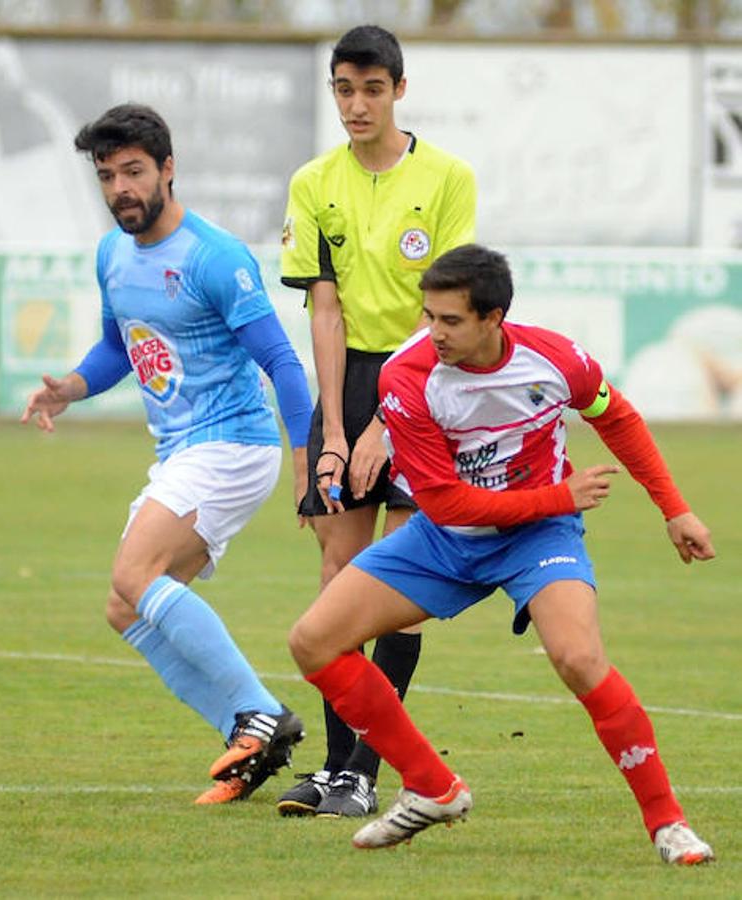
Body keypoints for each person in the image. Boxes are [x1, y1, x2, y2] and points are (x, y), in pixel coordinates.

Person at [286, 244, 716, 865]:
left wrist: (674, 508)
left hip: (538, 538)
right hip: (447, 534)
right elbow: (448, 504)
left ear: (494, 318)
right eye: (429, 316)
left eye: (451, 320)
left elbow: (616, 416)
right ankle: (433, 786)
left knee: (577, 656)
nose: (434, 333)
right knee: (313, 641)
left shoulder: (554, 359)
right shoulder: (406, 377)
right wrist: (557, 495)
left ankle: (669, 825)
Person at [21, 104, 315, 805]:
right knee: (126, 608)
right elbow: (120, 347)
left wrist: (307, 463)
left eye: (133, 171)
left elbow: (283, 363)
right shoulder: (110, 255)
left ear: (167, 169)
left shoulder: (214, 258)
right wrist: (70, 387)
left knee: (134, 572)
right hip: (181, 451)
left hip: (234, 444)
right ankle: (247, 739)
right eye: (107, 176)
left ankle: (258, 711)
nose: (120, 188)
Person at [275, 24, 477, 819]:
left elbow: (444, 313)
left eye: (370, 89)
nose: (355, 104)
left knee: (396, 579)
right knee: (335, 576)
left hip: (426, 378)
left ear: (398, 89)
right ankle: (334, 768)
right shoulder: (312, 181)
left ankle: (364, 768)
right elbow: (323, 309)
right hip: (350, 377)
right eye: (342, 89)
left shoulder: (447, 177)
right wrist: (333, 429)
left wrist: (389, 420)